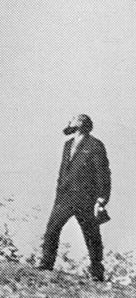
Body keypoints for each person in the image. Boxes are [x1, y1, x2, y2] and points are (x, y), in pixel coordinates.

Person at [38, 113, 111, 281]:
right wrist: (58, 194)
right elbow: (63, 172)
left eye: (73, 119)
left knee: (91, 234)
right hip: (65, 196)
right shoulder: (68, 144)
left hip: (86, 198)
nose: (69, 121)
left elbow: (103, 174)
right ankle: (46, 263)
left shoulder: (95, 145)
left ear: (81, 124)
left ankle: (97, 272)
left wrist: (102, 198)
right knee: (52, 229)